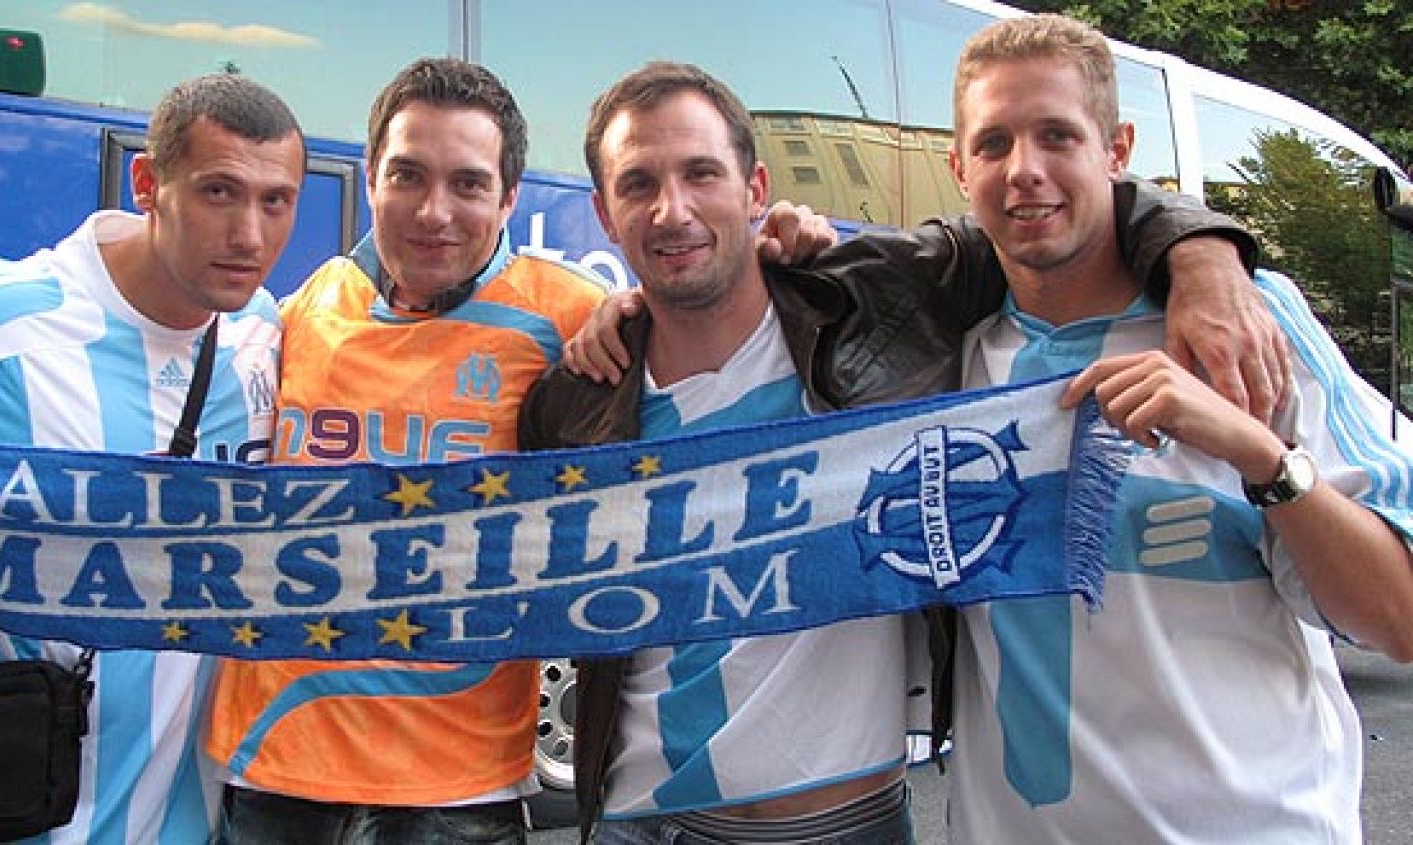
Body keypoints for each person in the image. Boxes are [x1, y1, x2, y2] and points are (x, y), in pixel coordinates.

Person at [518, 60, 1271, 844]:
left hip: (845, 826)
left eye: (701, 173)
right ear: (605, 214)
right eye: (638, 184)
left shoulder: (873, 300)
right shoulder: (573, 402)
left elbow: (1052, 207)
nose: (672, 209)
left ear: (755, 189)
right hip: (640, 822)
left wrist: (1202, 254)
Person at [946, 14, 1413, 842]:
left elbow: (1399, 618)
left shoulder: (1254, 328)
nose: (1024, 170)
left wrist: (1259, 453)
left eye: (1057, 135)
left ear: (1117, 149)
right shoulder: (947, 352)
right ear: (958, 168)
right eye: (993, 144)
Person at [0, 72, 304, 843]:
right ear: (148, 183)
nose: (250, 234)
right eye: (219, 192)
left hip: (181, 817)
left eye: (276, 201)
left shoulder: (262, 334)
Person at [200, 58, 609, 845]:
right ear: (369, 177)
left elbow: (714, 359)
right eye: (408, 175)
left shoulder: (573, 317)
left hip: (457, 792)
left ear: (509, 197)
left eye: (468, 183)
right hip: (274, 770)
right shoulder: (305, 307)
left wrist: (787, 257)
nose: (433, 211)